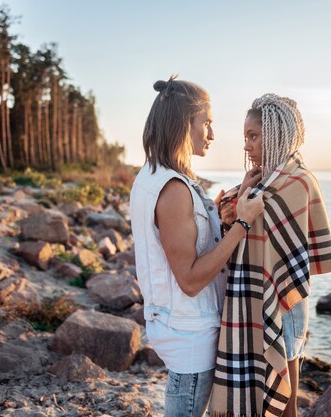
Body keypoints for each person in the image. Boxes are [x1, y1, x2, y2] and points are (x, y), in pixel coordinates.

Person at [130, 76, 265, 417]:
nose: (212, 134)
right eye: (206, 123)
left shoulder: (154, 174)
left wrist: (229, 203)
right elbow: (189, 280)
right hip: (191, 334)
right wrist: (243, 225)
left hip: (177, 325)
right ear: (182, 125)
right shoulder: (173, 189)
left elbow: (184, 238)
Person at [209, 93, 331, 417]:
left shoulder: (298, 181)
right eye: (245, 137)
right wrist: (240, 192)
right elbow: (239, 225)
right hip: (257, 293)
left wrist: (242, 202)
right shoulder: (261, 180)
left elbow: (286, 245)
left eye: (253, 136)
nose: (246, 145)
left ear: (276, 135)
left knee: (288, 403)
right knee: (264, 388)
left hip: (285, 299)